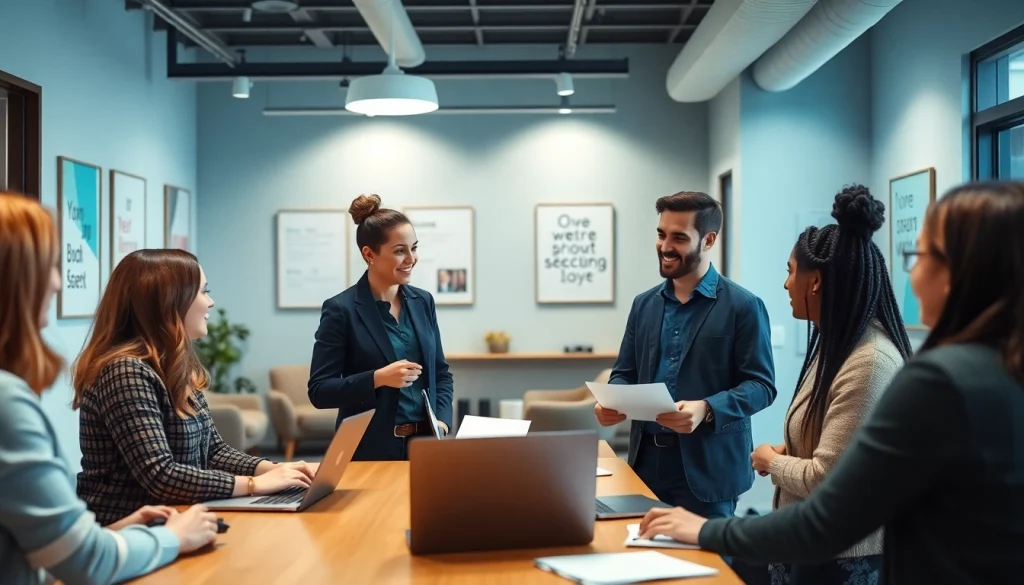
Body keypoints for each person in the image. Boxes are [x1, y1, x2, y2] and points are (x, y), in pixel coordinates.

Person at [637, 181, 1024, 584]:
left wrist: (702, 530)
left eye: (919, 255)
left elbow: (827, 518)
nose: (910, 272)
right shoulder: (998, 368)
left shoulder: (929, 376)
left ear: (959, 271)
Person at [0, 192, 217, 584]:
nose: (56, 283)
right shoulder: (7, 401)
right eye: (48, 267)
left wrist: (112, 536)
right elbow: (82, 561)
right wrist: (170, 538)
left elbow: (44, 554)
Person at [74, 249, 315, 526]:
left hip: (178, 517)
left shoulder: (173, 367)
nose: (210, 302)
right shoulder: (125, 371)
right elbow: (160, 475)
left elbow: (213, 451)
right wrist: (254, 484)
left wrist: (278, 470)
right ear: (168, 301)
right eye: (203, 291)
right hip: (129, 532)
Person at [752, 186, 912, 584]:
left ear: (816, 281)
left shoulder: (870, 363)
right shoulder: (837, 345)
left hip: (839, 561)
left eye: (791, 271)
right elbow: (840, 447)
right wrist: (791, 449)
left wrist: (772, 463)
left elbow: (829, 481)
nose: (786, 284)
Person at [595, 191, 777, 519]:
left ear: (708, 240)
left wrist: (707, 408)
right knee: (644, 560)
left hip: (710, 469)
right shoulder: (643, 305)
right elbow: (625, 371)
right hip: (645, 464)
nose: (665, 247)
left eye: (679, 237)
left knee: (711, 568)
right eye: (661, 234)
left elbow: (761, 386)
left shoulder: (743, 306)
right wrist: (612, 400)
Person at [308, 194, 454, 461]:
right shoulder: (341, 309)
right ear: (369, 254)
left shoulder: (424, 302)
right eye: (400, 250)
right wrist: (377, 378)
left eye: (414, 248)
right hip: (370, 449)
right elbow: (319, 390)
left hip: (426, 448)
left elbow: (441, 374)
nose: (412, 258)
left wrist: (442, 423)